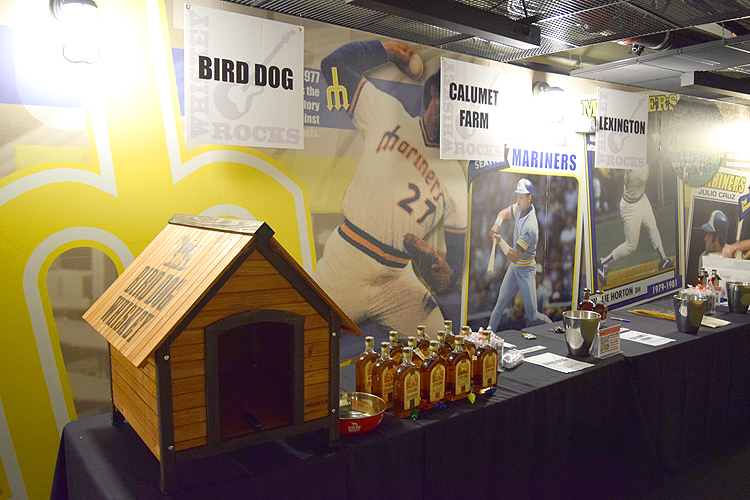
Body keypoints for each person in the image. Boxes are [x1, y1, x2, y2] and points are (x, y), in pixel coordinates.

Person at [312, 40, 467, 336]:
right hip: (347, 261)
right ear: (434, 92)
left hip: (397, 280)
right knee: (303, 336)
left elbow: (455, 262)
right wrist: (388, 50)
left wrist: (445, 275)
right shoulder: (387, 113)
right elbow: (333, 65)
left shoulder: (455, 175)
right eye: (453, 100)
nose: (458, 112)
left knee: (442, 342)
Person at [487, 178, 551, 331]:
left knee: (533, 316)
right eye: (518, 196)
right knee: (499, 304)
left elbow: (515, 256)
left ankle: (555, 328)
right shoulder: (520, 208)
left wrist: (500, 241)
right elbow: (503, 213)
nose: (518, 200)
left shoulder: (530, 227)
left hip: (526, 270)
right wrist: (497, 224)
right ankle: (487, 335)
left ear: (529, 198)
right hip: (515, 268)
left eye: (521, 197)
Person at [597, 165, 674, 286]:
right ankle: (604, 263)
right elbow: (645, 171)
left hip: (641, 198)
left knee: (652, 226)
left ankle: (663, 259)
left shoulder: (633, 166)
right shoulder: (637, 175)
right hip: (630, 208)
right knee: (631, 245)